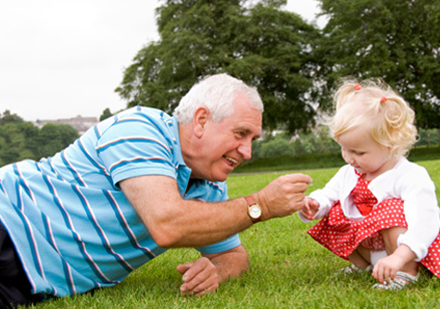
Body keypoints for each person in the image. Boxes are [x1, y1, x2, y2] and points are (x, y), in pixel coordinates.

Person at [0, 73, 312, 307]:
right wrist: (261, 206)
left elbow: (233, 255)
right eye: (240, 134)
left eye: (252, 140)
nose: (246, 152)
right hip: (9, 223)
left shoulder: (211, 187)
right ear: (201, 120)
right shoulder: (140, 129)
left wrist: (216, 271)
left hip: (36, 281)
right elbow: (167, 223)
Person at [298, 79, 440, 290]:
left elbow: (426, 223)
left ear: (390, 146)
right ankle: (365, 264)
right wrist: (316, 203)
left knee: (391, 208)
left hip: (407, 250)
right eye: (344, 149)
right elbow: (330, 193)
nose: (349, 159)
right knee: (336, 211)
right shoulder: (349, 172)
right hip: (373, 245)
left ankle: (406, 272)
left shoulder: (409, 175)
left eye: (358, 152)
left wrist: (399, 257)